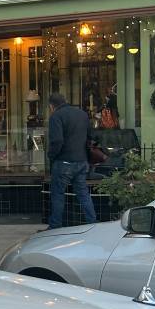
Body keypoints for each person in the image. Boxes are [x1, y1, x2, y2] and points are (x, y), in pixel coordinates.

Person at [47, 92, 96, 228]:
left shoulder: (56, 116)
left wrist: (51, 156)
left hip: (64, 162)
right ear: (66, 100)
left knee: (58, 194)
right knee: (83, 194)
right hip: (81, 161)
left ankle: (55, 226)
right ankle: (92, 223)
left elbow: (57, 141)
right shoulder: (82, 114)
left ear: (51, 106)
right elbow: (90, 137)